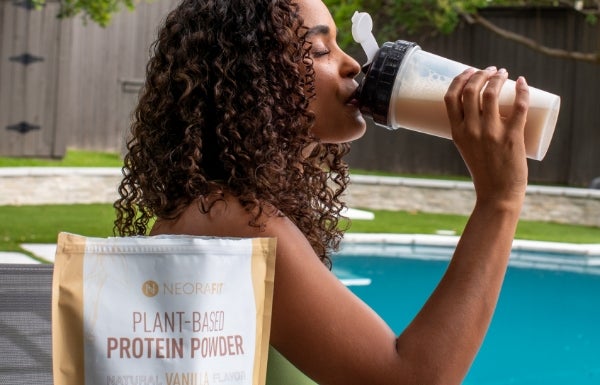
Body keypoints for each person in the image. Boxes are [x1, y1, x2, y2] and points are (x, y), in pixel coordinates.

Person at [114, 0, 530, 383]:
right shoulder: (232, 221)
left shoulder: (223, 210)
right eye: (319, 50)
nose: (352, 65)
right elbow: (412, 378)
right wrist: (500, 200)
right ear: (250, 76)